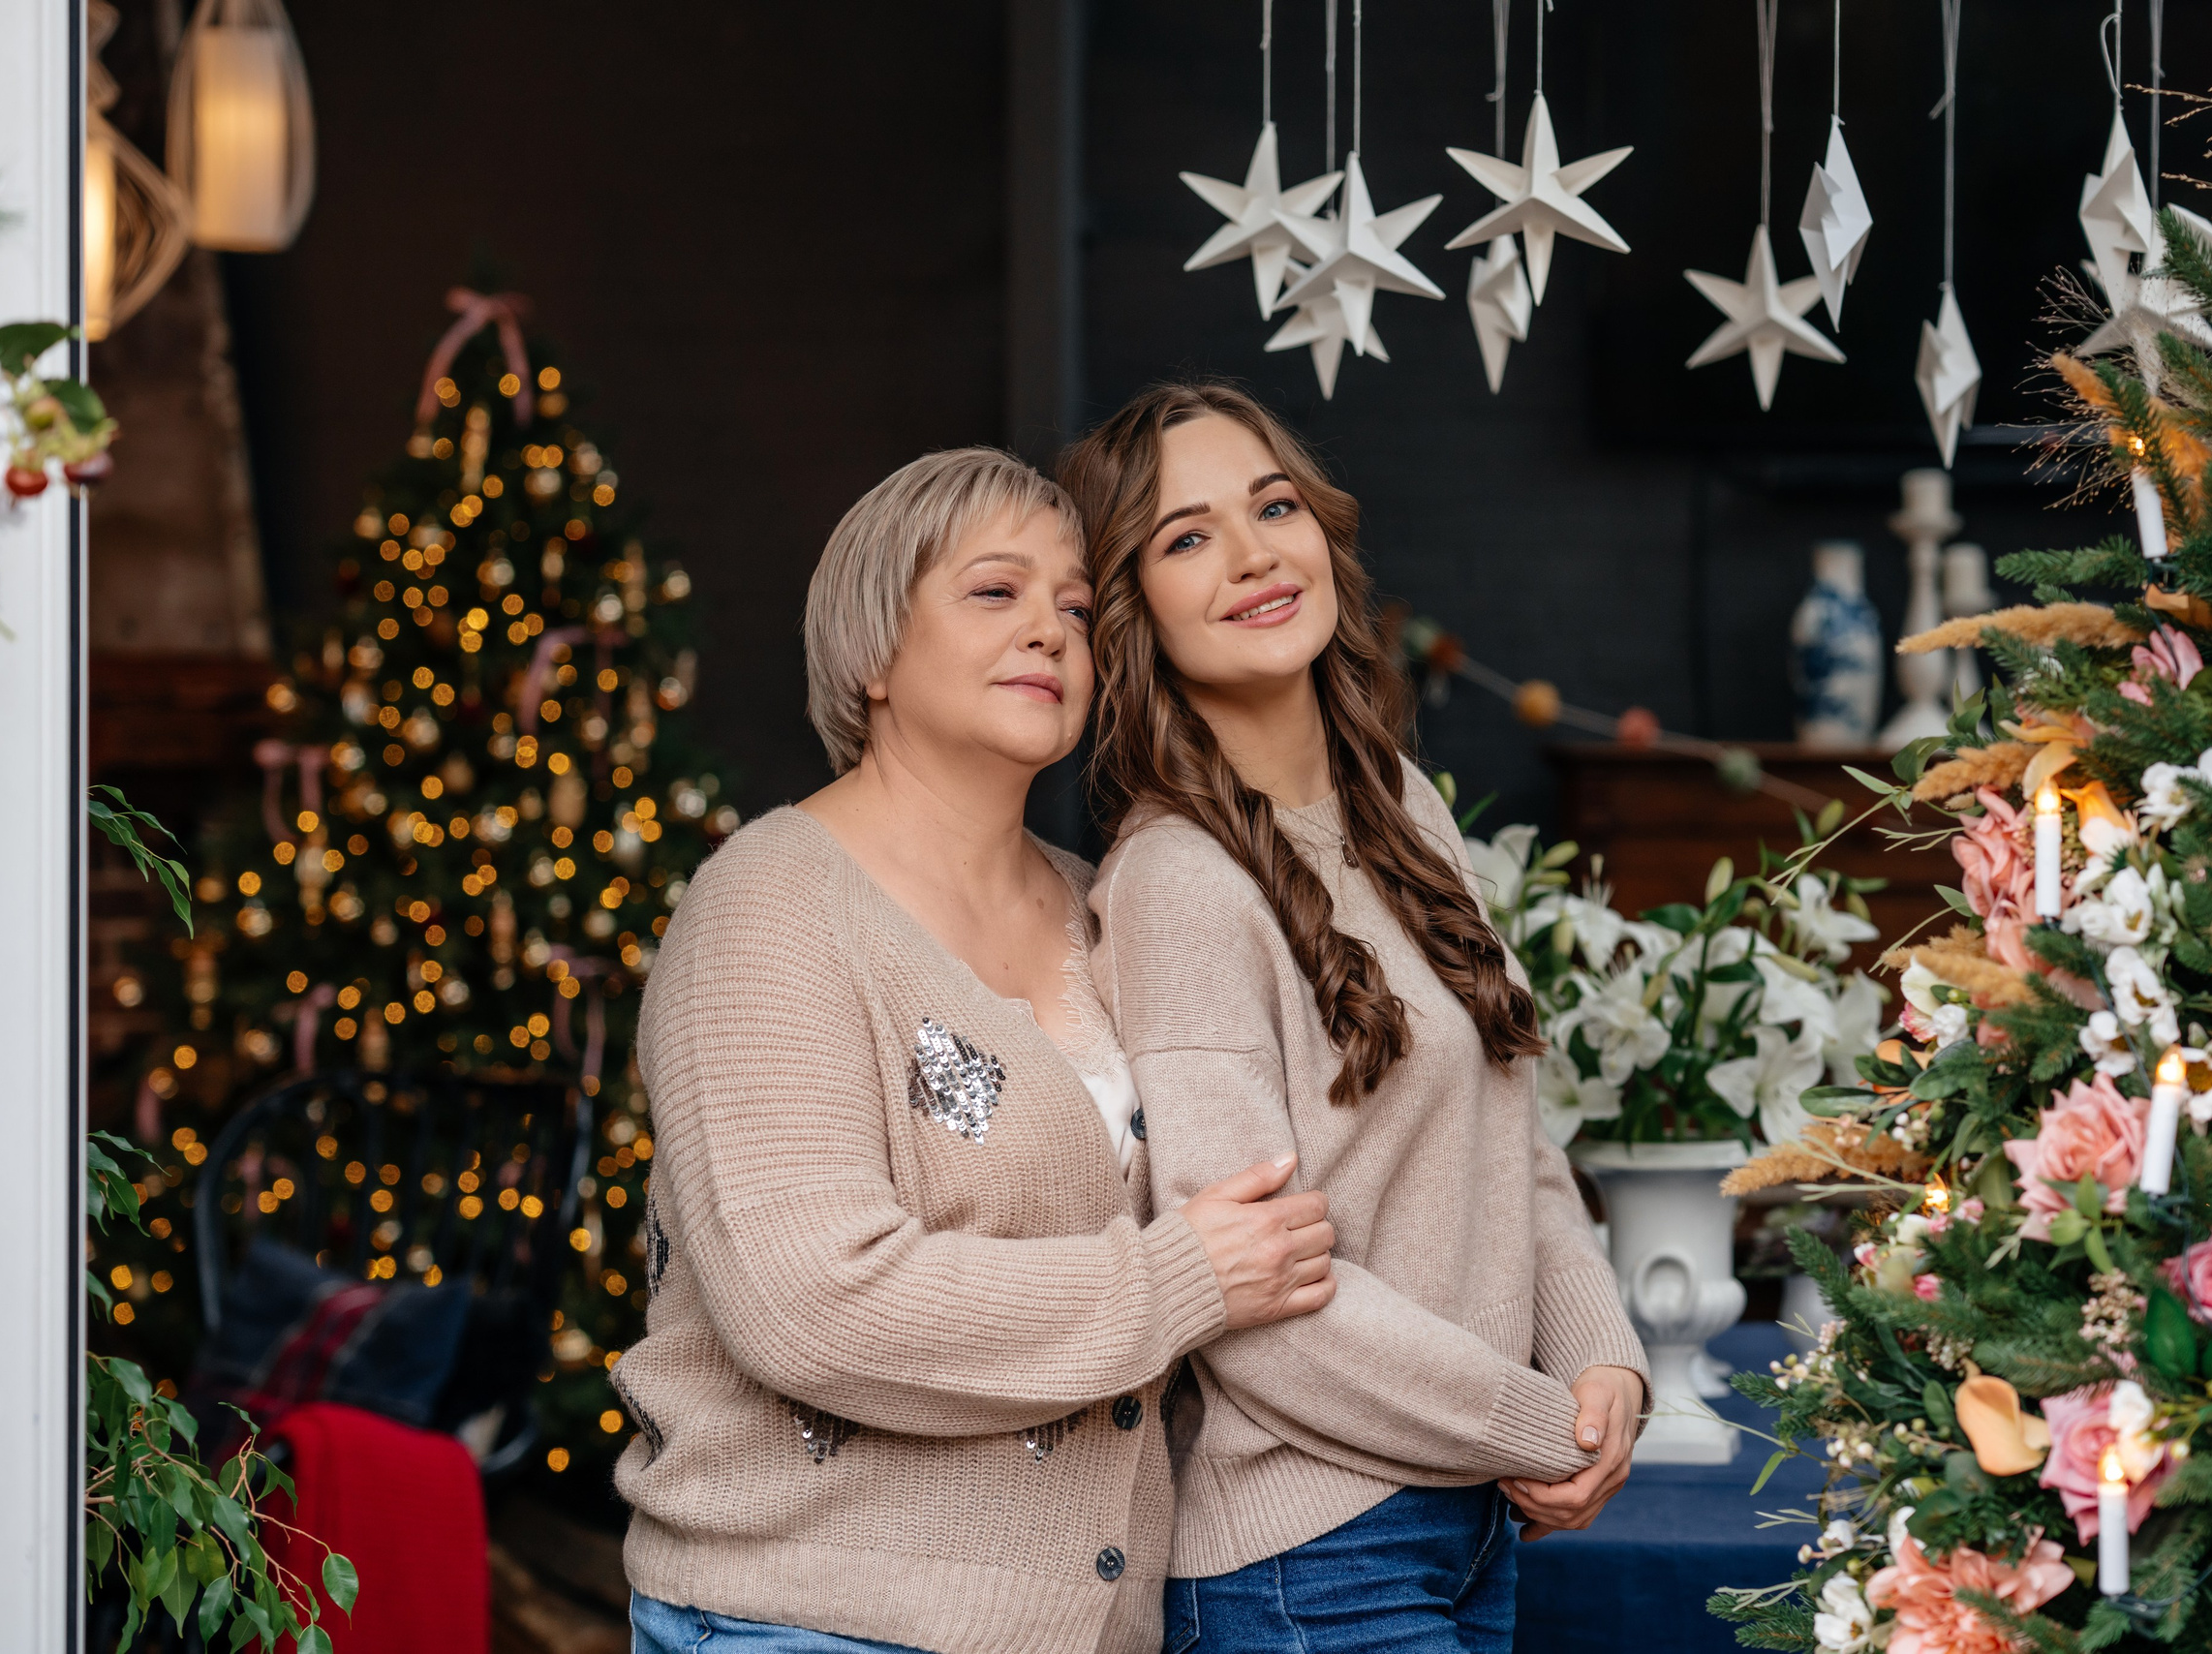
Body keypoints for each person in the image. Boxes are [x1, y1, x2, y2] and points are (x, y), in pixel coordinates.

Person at [615, 446, 1339, 1654]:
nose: (1051, 632)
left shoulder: (1101, 900)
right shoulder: (769, 907)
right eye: (995, 593)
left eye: (1073, 609)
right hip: (810, 1622)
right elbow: (809, 1304)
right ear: (873, 651)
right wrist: (1178, 1281)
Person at [1059, 383, 1650, 1654]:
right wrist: (1535, 1422)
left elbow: (1515, 1145)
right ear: (1131, 610)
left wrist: (1602, 1361)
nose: (1255, 553)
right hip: (1312, 1558)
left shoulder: (1402, 809)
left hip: (1464, 1517)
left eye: (1274, 507)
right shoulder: (1177, 883)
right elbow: (1253, 1297)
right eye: (1186, 537)